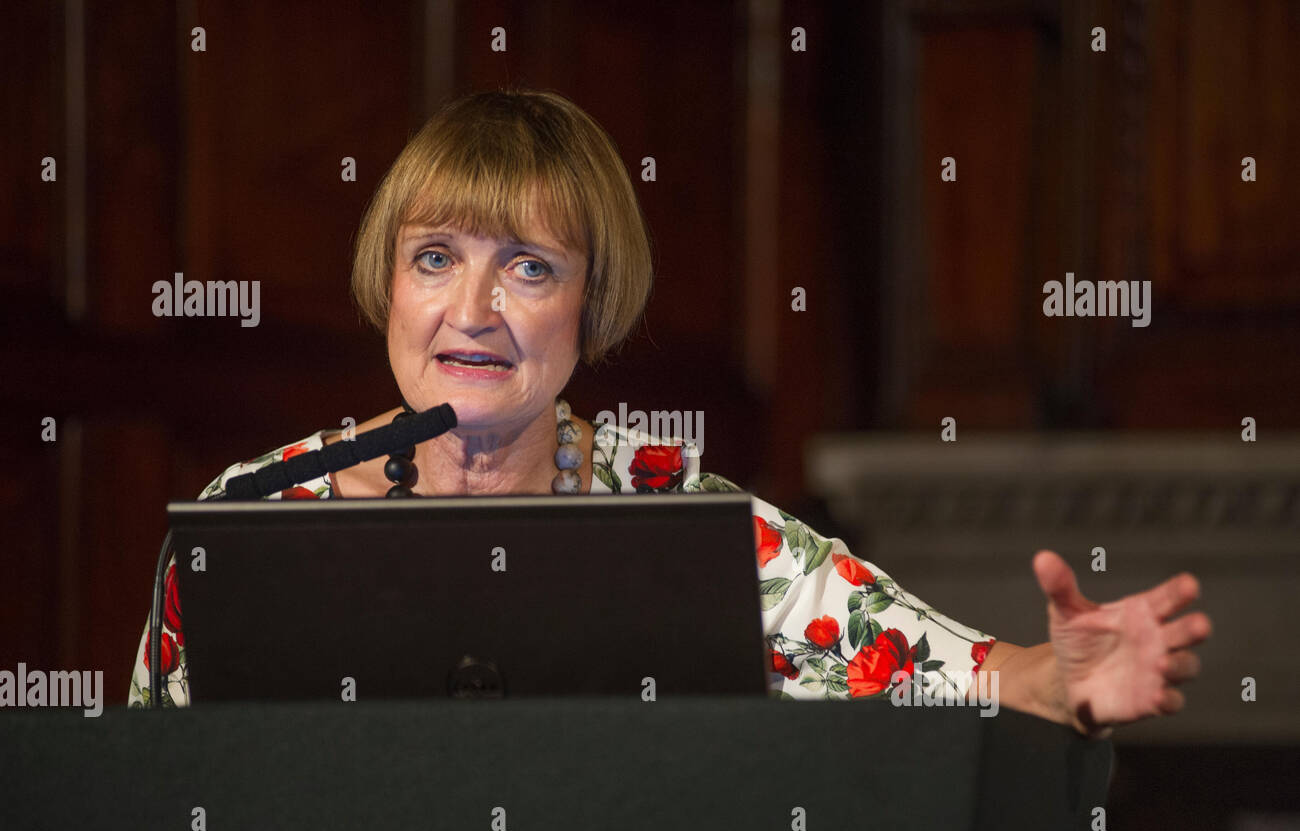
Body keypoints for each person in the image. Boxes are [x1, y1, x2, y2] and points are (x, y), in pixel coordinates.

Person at [128, 89, 1211, 738]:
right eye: (433, 258)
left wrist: (1050, 677)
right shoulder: (251, 517)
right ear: (388, 283)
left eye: (528, 268)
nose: (472, 311)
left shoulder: (684, 520)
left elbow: (932, 665)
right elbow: (147, 800)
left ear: (589, 309)